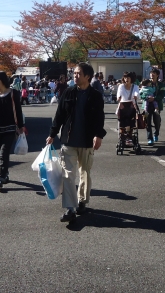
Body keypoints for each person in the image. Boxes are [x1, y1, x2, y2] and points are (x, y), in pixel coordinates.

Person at [47, 62, 106, 222]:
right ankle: (70, 208)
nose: (75, 75)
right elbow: (59, 115)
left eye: (79, 73)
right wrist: (52, 133)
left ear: (87, 76)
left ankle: (82, 201)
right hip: (68, 140)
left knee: (85, 173)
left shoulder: (95, 95)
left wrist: (98, 135)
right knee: (68, 175)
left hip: (87, 141)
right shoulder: (68, 92)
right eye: (74, 73)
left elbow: (100, 118)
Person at [116, 71, 140, 136]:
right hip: (123, 106)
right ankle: (122, 134)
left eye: (128, 78)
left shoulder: (135, 86)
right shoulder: (121, 86)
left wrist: (135, 96)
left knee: (132, 121)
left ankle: (130, 135)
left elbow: (136, 93)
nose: (127, 79)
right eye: (125, 77)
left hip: (132, 106)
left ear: (131, 78)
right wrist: (119, 97)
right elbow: (119, 94)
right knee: (122, 121)